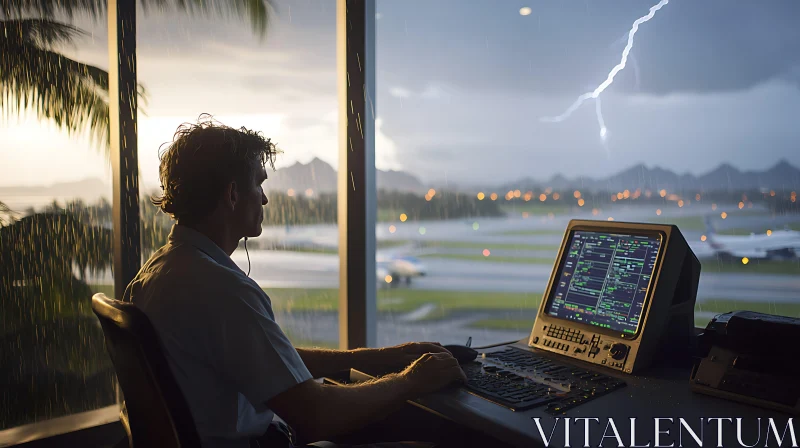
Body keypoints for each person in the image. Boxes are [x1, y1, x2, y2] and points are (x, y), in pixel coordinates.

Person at [124, 115, 467, 448]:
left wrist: (385, 357)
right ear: (231, 194)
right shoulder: (222, 291)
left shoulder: (155, 274)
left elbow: (271, 359)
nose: (264, 198)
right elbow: (318, 415)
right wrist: (412, 379)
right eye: (258, 183)